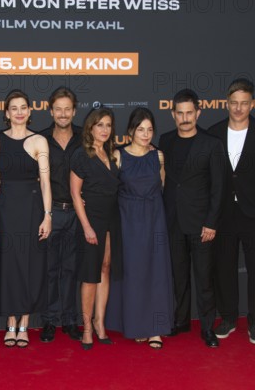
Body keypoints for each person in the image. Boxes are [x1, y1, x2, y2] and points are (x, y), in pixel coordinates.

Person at [207, 79, 255, 345]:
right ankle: (227, 318)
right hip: (224, 213)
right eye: (234, 103)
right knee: (224, 268)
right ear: (227, 103)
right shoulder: (213, 133)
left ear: (252, 103)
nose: (238, 108)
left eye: (244, 103)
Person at [158, 89, 225, 348]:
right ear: (173, 114)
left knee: (205, 279)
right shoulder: (165, 140)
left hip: (202, 225)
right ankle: (181, 320)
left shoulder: (211, 144)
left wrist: (211, 222)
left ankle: (208, 327)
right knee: (178, 276)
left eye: (189, 113)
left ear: (198, 112)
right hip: (173, 221)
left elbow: (219, 188)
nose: (185, 118)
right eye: (180, 113)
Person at [105, 107, 174, 349]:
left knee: (156, 273)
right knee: (133, 273)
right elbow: (108, 190)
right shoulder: (118, 155)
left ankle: (156, 329)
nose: (145, 135)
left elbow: (162, 186)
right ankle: (136, 325)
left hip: (155, 219)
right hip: (127, 221)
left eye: (150, 130)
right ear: (131, 131)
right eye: (140, 129)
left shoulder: (159, 157)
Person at [0, 89, 52, 348]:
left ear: (29, 110)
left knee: (29, 265)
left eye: (23, 107)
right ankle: (10, 323)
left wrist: (47, 216)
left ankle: (23, 324)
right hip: (5, 210)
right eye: (13, 108)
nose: (19, 112)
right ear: (6, 113)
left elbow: (46, 183)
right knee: (9, 265)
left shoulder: (39, 141)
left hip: (32, 209)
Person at [70, 107, 123, 350]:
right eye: (100, 124)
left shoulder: (113, 154)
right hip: (92, 219)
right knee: (90, 274)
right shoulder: (81, 155)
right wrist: (87, 227)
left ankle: (101, 323)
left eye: (108, 125)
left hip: (113, 218)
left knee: (105, 268)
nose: (104, 130)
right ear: (90, 127)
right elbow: (74, 193)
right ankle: (87, 327)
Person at [38, 87, 83, 343]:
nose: (63, 114)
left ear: (74, 111)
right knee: (50, 270)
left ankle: (69, 320)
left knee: (71, 269)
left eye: (68, 109)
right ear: (51, 110)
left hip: (77, 213)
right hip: (51, 213)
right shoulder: (41, 139)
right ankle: (50, 321)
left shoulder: (84, 138)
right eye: (58, 109)